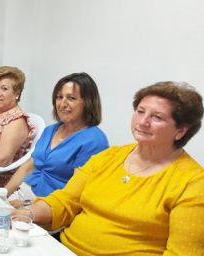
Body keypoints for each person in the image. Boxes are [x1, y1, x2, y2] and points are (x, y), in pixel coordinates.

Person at [16, 81, 204, 255]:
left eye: (157, 117)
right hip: (63, 249)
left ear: (181, 131)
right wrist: (26, 213)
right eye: (140, 111)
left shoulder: (193, 183)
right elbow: (65, 201)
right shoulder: (109, 157)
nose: (143, 121)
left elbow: (183, 252)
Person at [4, 73, 108, 206]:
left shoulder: (94, 141)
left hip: (52, 209)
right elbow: (28, 167)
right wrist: (3, 193)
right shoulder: (50, 130)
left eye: (71, 98)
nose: (62, 104)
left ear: (87, 102)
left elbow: (74, 194)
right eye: (59, 97)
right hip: (23, 194)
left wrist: (27, 206)